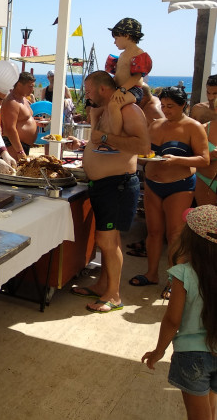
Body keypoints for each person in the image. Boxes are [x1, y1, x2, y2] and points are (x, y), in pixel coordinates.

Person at [70, 71, 149, 313]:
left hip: (118, 185)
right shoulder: (104, 110)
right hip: (103, 186)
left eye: (89, 90)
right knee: (106, 241)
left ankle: (114, 295)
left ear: (102, 89)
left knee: (108, 240)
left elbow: (143, 146)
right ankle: (103, 285)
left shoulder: (129, 111)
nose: (87, 95)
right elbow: (100, 144)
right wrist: (87, 142)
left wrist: (103, 135)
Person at [129, 86, 209, 299]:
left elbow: (204, 159)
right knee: (154, 232)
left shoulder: (193, 127)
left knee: (174, 234)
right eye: (163, 105)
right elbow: (145, 152)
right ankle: (152, 273)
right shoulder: (156, 124)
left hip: (179, 185)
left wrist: (177, 160)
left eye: (170, 106)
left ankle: (174, 281)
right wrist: (141, 156)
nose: (165, 110)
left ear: (184, 105)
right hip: (152, 183)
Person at [142, 205, 217, 420]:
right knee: (211, 410)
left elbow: (172, 320)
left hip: (191, 355)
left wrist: (159, 350)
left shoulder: (183, 274)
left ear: (190, 240)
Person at [99, 17, 153, 138]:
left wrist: (122, 89)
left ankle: (115, 135)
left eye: (116, 38)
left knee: (114, 105)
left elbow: (136, 77)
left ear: (126, 35)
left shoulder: (139, 54)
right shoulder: (123, 54)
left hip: (133, 90)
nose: (115, 42)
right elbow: (119, 74)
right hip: (121, 88)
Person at [0, 71, 37, 162]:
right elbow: (10, 128)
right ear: (19, 85)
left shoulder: (23, 99)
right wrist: (20, 151)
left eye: (33, 86)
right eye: (30, 86)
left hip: (23, 145)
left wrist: (37, 122)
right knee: (14, 169)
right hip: (14, 145)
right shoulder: (12, 102)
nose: (32, 89)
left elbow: (23, 119)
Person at [195, 116, 217, 206]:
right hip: (204, 181)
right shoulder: (202, 128)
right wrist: (210, 156)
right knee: (205, 214)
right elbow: (190, 157)